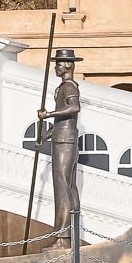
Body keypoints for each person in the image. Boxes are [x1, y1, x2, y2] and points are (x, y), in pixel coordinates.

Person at [36, 50, 82, 247]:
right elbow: (62, 121)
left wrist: (48, 114)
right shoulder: (65, 86)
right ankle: (70, 236)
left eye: (58, 64)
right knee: (68, 188)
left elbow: (75, 107)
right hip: (62, 138)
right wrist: (45, 136)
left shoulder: (69, 87)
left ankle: (63, 239)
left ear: (67, 65)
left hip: (65, 142)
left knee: (62, 189)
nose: (55, 67)